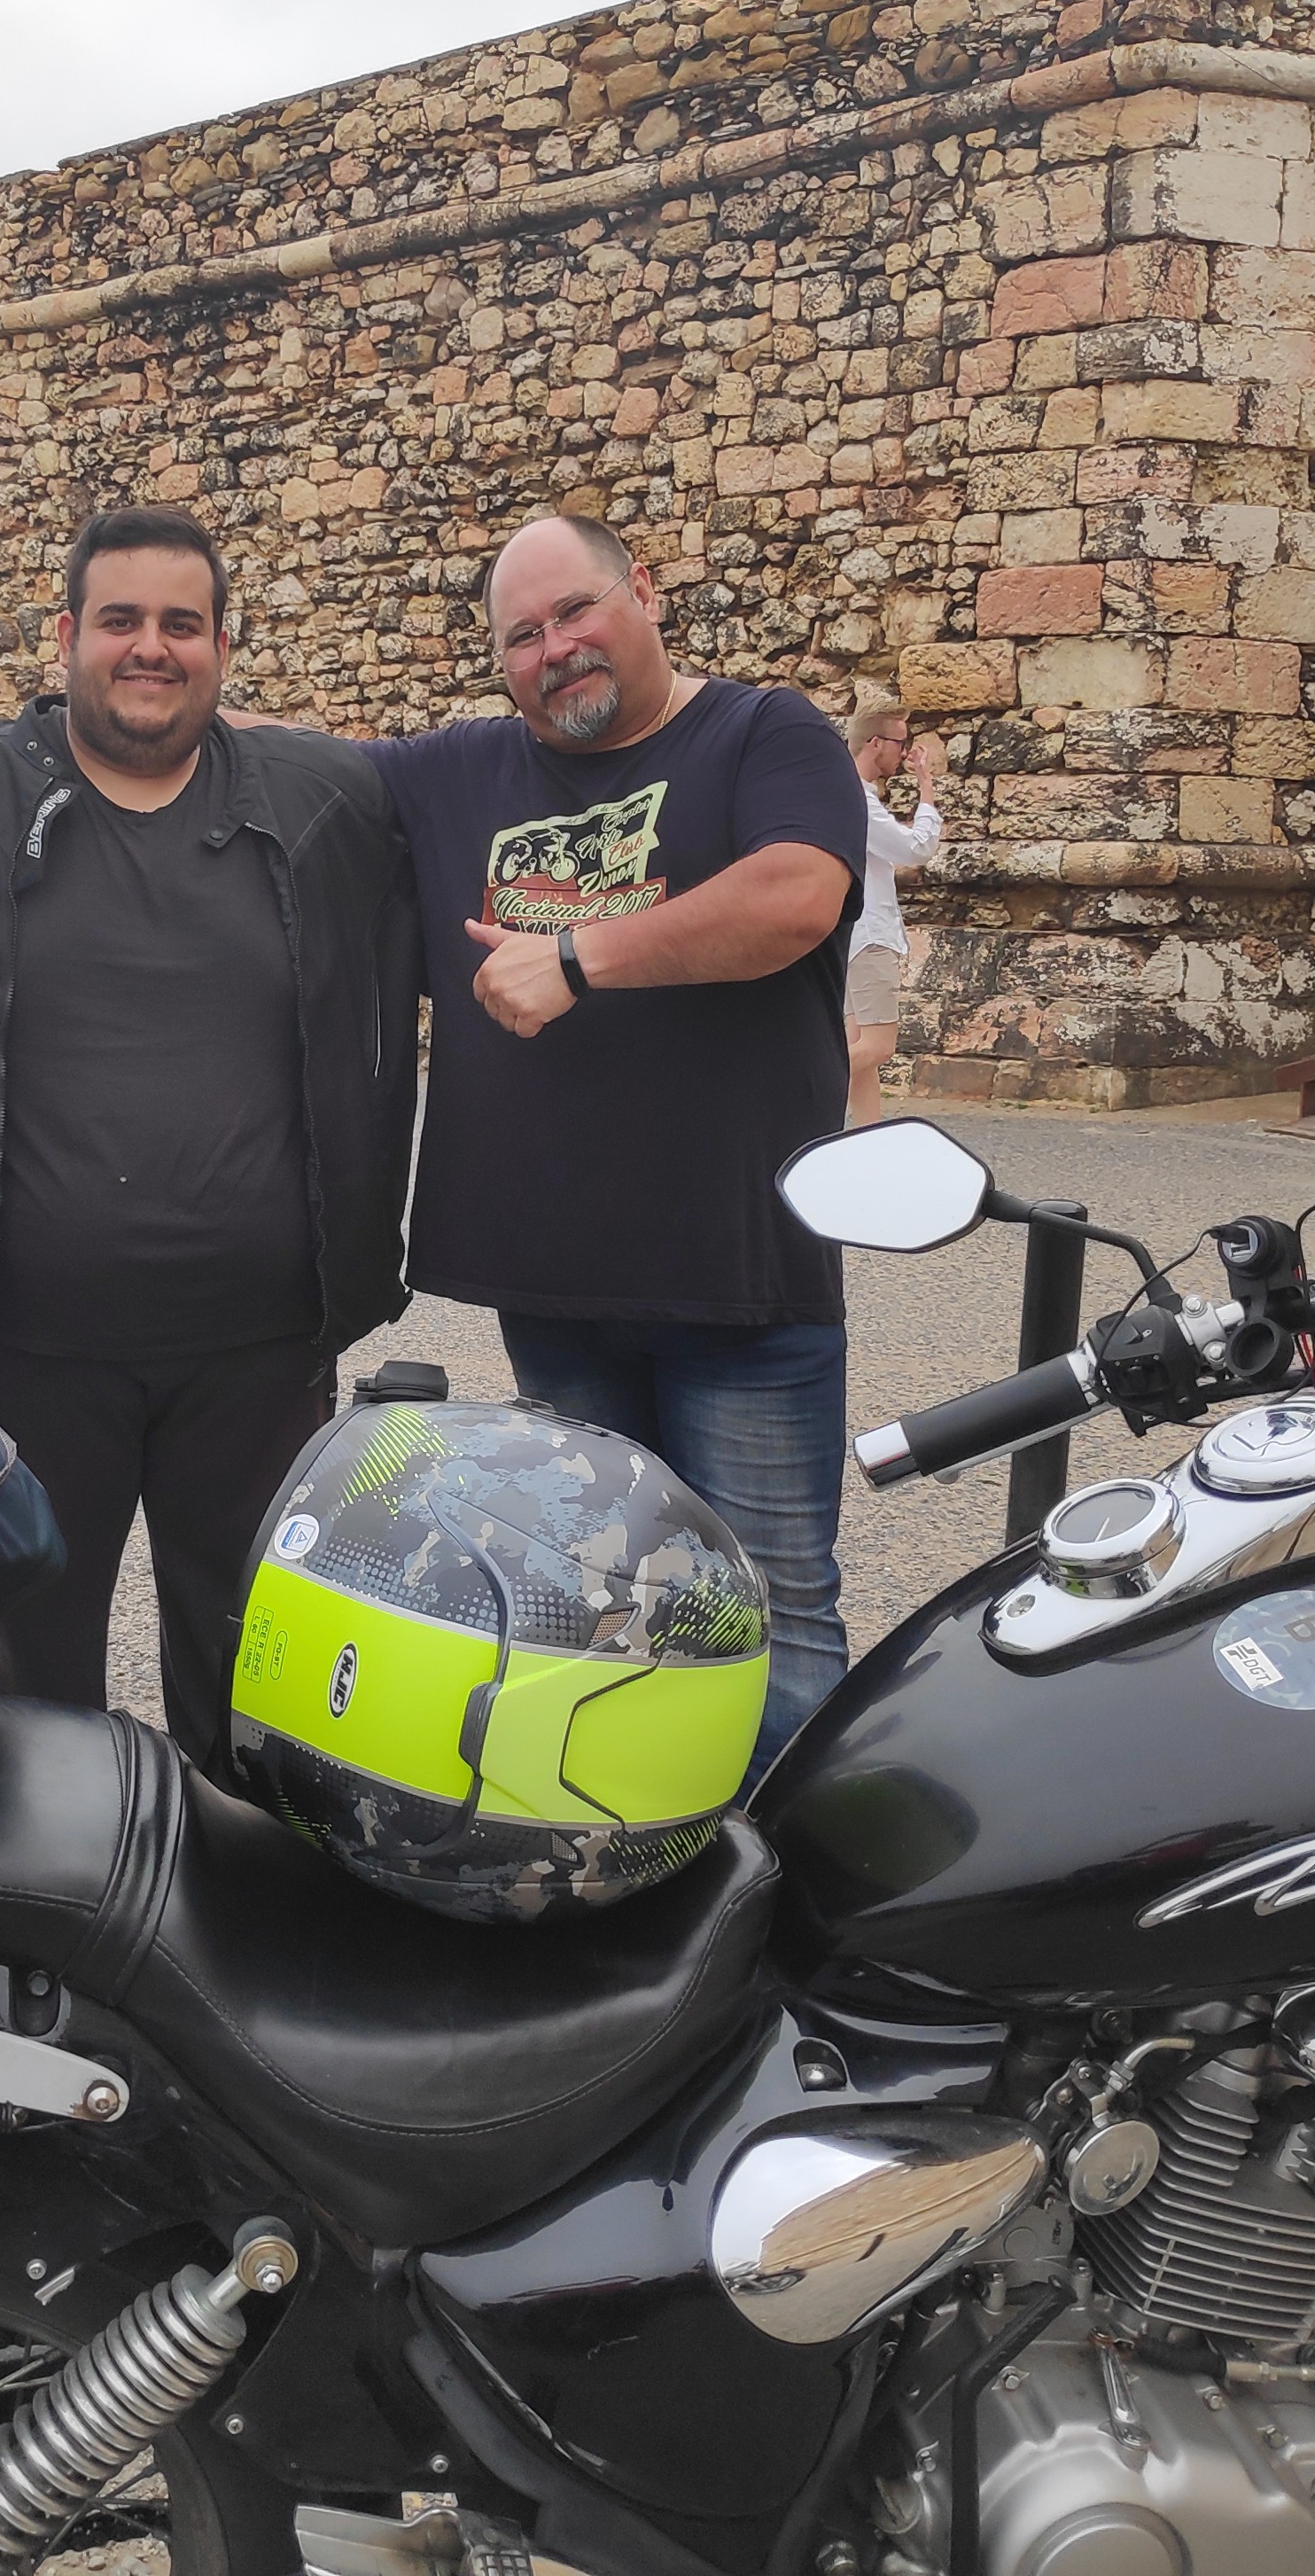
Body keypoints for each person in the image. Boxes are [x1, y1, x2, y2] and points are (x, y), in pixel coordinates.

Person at [0, 506, 417, 1767]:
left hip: (258, 1355)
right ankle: (53, 1893)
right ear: (65, 635)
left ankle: (235, 1888)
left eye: (182, 624)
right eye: (119, 620)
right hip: (19, 1352)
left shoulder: (323, 802)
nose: (149, 647)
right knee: (22, 1703)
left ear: (223, 647)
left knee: (253, 1698)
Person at [361, 513, 865, 1772]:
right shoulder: (457, 771)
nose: (555, 649)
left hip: (740, 1291)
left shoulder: (763, 732)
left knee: (773, 1625)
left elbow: (796, 896)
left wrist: (578, 956)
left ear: (642, 590)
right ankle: (644, 1865)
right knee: (603, 1620)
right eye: (521, 635)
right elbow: (284, 767)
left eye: (576, 611)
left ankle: (791, 1882)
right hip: (556, 1296)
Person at [843, 697, 945, 1128]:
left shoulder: (850, 796)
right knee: (877, 1047)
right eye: (900, 743)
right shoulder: (860, 803)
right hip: (870, 938)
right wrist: (926, 786)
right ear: (875, 743)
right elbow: (917, 848)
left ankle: (865, 1138)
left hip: (853, 937)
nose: (904, 752)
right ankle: (790, 1087)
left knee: (856, 1047)